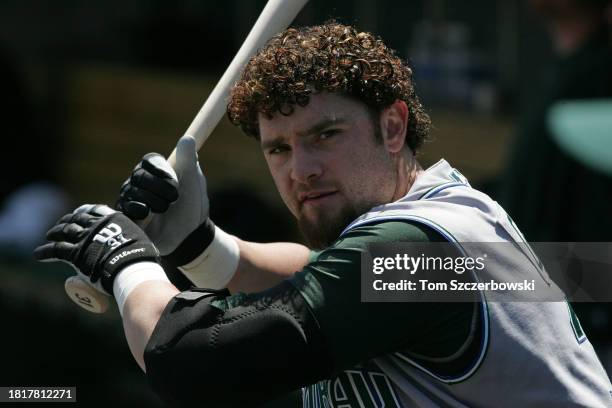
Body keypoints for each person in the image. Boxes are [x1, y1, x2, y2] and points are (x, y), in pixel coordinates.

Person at [35, 23, 612, 407]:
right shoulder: (426, 232)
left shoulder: (419, 248)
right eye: (278, 149)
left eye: (325, 135)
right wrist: (196, 246)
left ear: (392, 127)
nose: (301, 169)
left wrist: (125, 261)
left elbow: (193, 368)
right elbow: (318, 272)